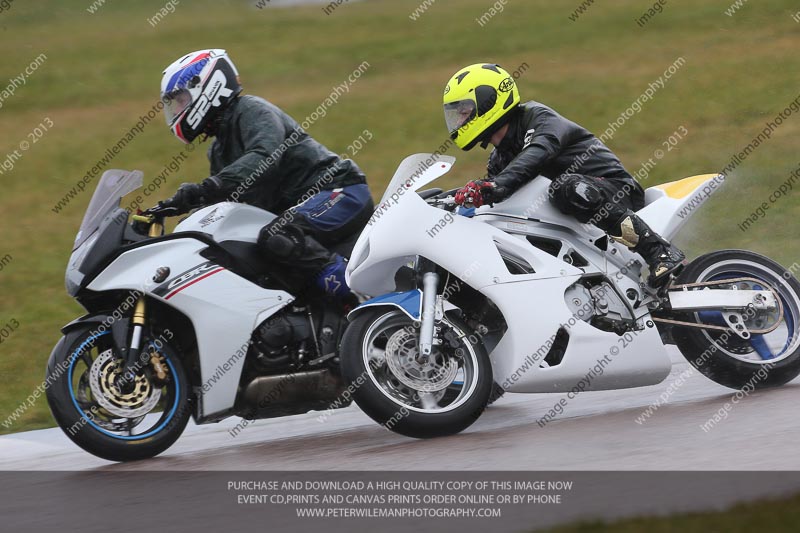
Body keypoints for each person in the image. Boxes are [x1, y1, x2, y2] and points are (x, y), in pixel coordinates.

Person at [443, 63, 685, 287]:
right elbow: (495, 195)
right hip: (573, 215)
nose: (460, 120)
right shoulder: (499, 157)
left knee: (566, 188)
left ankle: (658, 251)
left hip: (614, 192)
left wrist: (494, 185)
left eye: (464, 112)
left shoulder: (538, 117)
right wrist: (455, 202)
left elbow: (538, 152)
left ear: (488, 101)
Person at [158, 49, 372, 298]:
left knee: (277, 235)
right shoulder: (218, 150)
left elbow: (264, 157)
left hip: (339, 191)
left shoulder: (251, 110)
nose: (177, 109)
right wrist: (184, 209)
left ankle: (359, 294)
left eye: (181, 100)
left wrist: (206, 188)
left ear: (207, 85)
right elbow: (225, 207)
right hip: (299, 212)